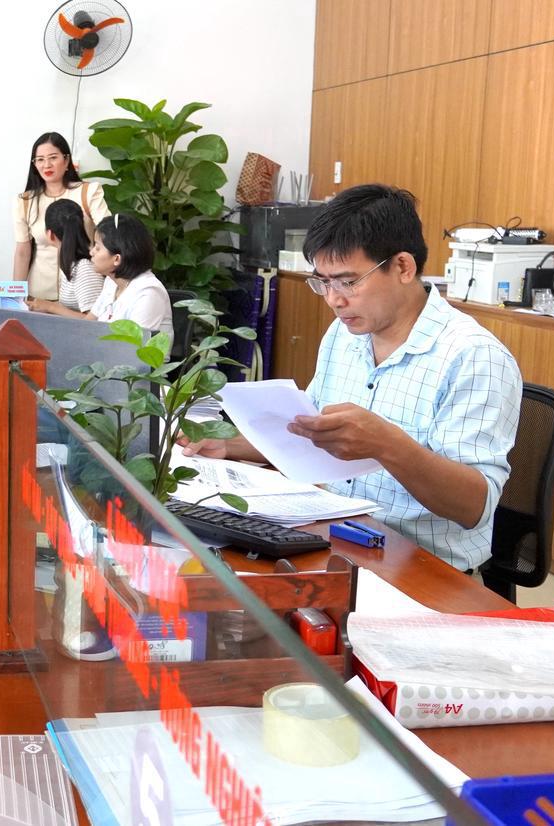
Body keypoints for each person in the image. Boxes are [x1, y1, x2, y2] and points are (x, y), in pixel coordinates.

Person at [181, 184, 521, 573]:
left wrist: (386, 444)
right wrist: (229, 446)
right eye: (323, 282)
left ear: (403, 267)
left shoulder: (473, 356)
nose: (334, 299)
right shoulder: (344, 335)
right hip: (334, 542)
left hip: (422, 567)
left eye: (348, 281)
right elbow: (312, 437)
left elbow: (474, 507)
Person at [12, 132, 110, 301]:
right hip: (38, 297)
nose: (47, 165)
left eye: (53, 157)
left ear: (66, 160)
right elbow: (22, 252)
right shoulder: (25, 201)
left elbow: (109, 235)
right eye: (40, 159)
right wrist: (16, 298)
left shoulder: (89, 192)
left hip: (83, 294)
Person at [87, 213, 174, 344]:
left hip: (132, 356)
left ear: (117, 259)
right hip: (104, 353)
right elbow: (87, 324)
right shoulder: (111, 282)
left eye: (97, 248)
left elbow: (132, 348)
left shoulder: (148, 292)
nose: (91, 252)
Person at [25, 199, 103, 318]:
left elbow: (95, 321)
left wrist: (51, 307)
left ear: (50, 234)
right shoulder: (71, 263)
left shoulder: (84, 269)